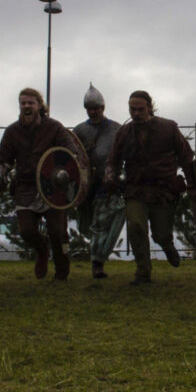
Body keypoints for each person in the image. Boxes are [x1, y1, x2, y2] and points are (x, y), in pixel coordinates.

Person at [105, 90, 196, 285]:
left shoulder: (168, 128)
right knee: (136, 226)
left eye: (140, 109)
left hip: (164, 191)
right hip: (135, 190)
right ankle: (143, 272)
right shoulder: (123, 133)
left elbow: (187, 158)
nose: (136, 113)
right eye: (132, 109)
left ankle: (167, 245)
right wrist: (110, 176)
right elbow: (113, 161)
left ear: (149, 108)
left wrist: (193, 184)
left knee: (161, 234)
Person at [0, 88, 81, 282]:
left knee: (57, 232)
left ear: (39, 105)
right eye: (23, 103)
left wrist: (62, 175)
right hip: (25, 187)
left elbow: (70, 154)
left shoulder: (55, 128)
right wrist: (0, 175)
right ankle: (42, 249)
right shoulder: (12, 131)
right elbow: (3, 160)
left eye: (30, 103)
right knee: (26, 231)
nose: (26, 106)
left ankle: (61, 271)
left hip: (54, 187)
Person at [73, 84, 125, 278]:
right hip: (86, 186)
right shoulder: (79, 130)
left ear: (103, 107)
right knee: (89, 226)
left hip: (108, 184)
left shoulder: (116, 129)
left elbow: (124, 155)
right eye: (89, 108)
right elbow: (72, 156)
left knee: (102, 223)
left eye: (96, 107)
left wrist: (118, 177)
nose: (93, 111)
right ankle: (97, 257)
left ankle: (97, 262)